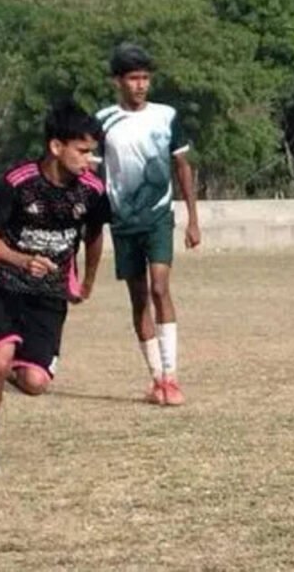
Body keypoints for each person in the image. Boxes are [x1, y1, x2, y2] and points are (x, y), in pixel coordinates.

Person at [0, 99, 109, 476]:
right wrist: (21, 260)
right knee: (0, 362)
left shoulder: (92, 190)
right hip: (6, 283)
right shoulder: (18, 183)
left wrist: (87, 282)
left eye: (92, 152)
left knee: (34, 383)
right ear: (56, 146)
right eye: (83, 151)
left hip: (50, 292)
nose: (89, 160)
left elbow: (95, 234)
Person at [97, 43, 200, 406]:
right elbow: (93, 175)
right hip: (123, 221)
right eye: (133, 78)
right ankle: (156, 378)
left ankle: (172, 376)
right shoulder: (103, 121)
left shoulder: (166, 116)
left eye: (145, 78)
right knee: (139, 297)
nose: (140, 84)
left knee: (160, 287)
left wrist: (192, 219)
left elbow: (182, 166)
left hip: (158, 217)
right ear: (117, 81)